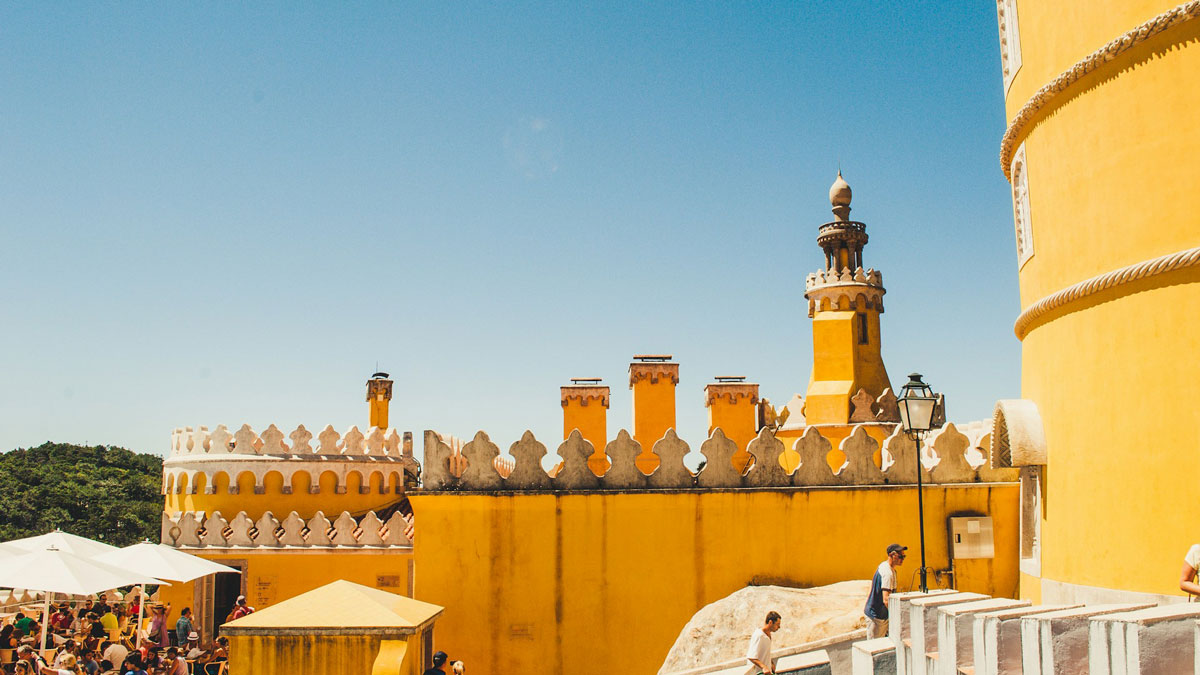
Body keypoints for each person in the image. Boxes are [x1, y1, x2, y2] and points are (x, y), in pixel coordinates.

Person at [864, 543, 907, 639]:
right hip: (876, 618)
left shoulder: (887, 568)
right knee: (875, 647)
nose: (903, 559)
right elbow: (886, 599)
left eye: (904, 556)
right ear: (892, 555)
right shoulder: (887, 573)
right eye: (900, 556)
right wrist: (896, 617)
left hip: (882, 616)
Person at [744, 610, 780, 675]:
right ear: (770, 622)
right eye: (777, 624)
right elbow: (751, 656)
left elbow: (764, 653)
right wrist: (764, 667)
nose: (779, 627)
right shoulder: (759, 635)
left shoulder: (767, 635)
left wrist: (771, 663)